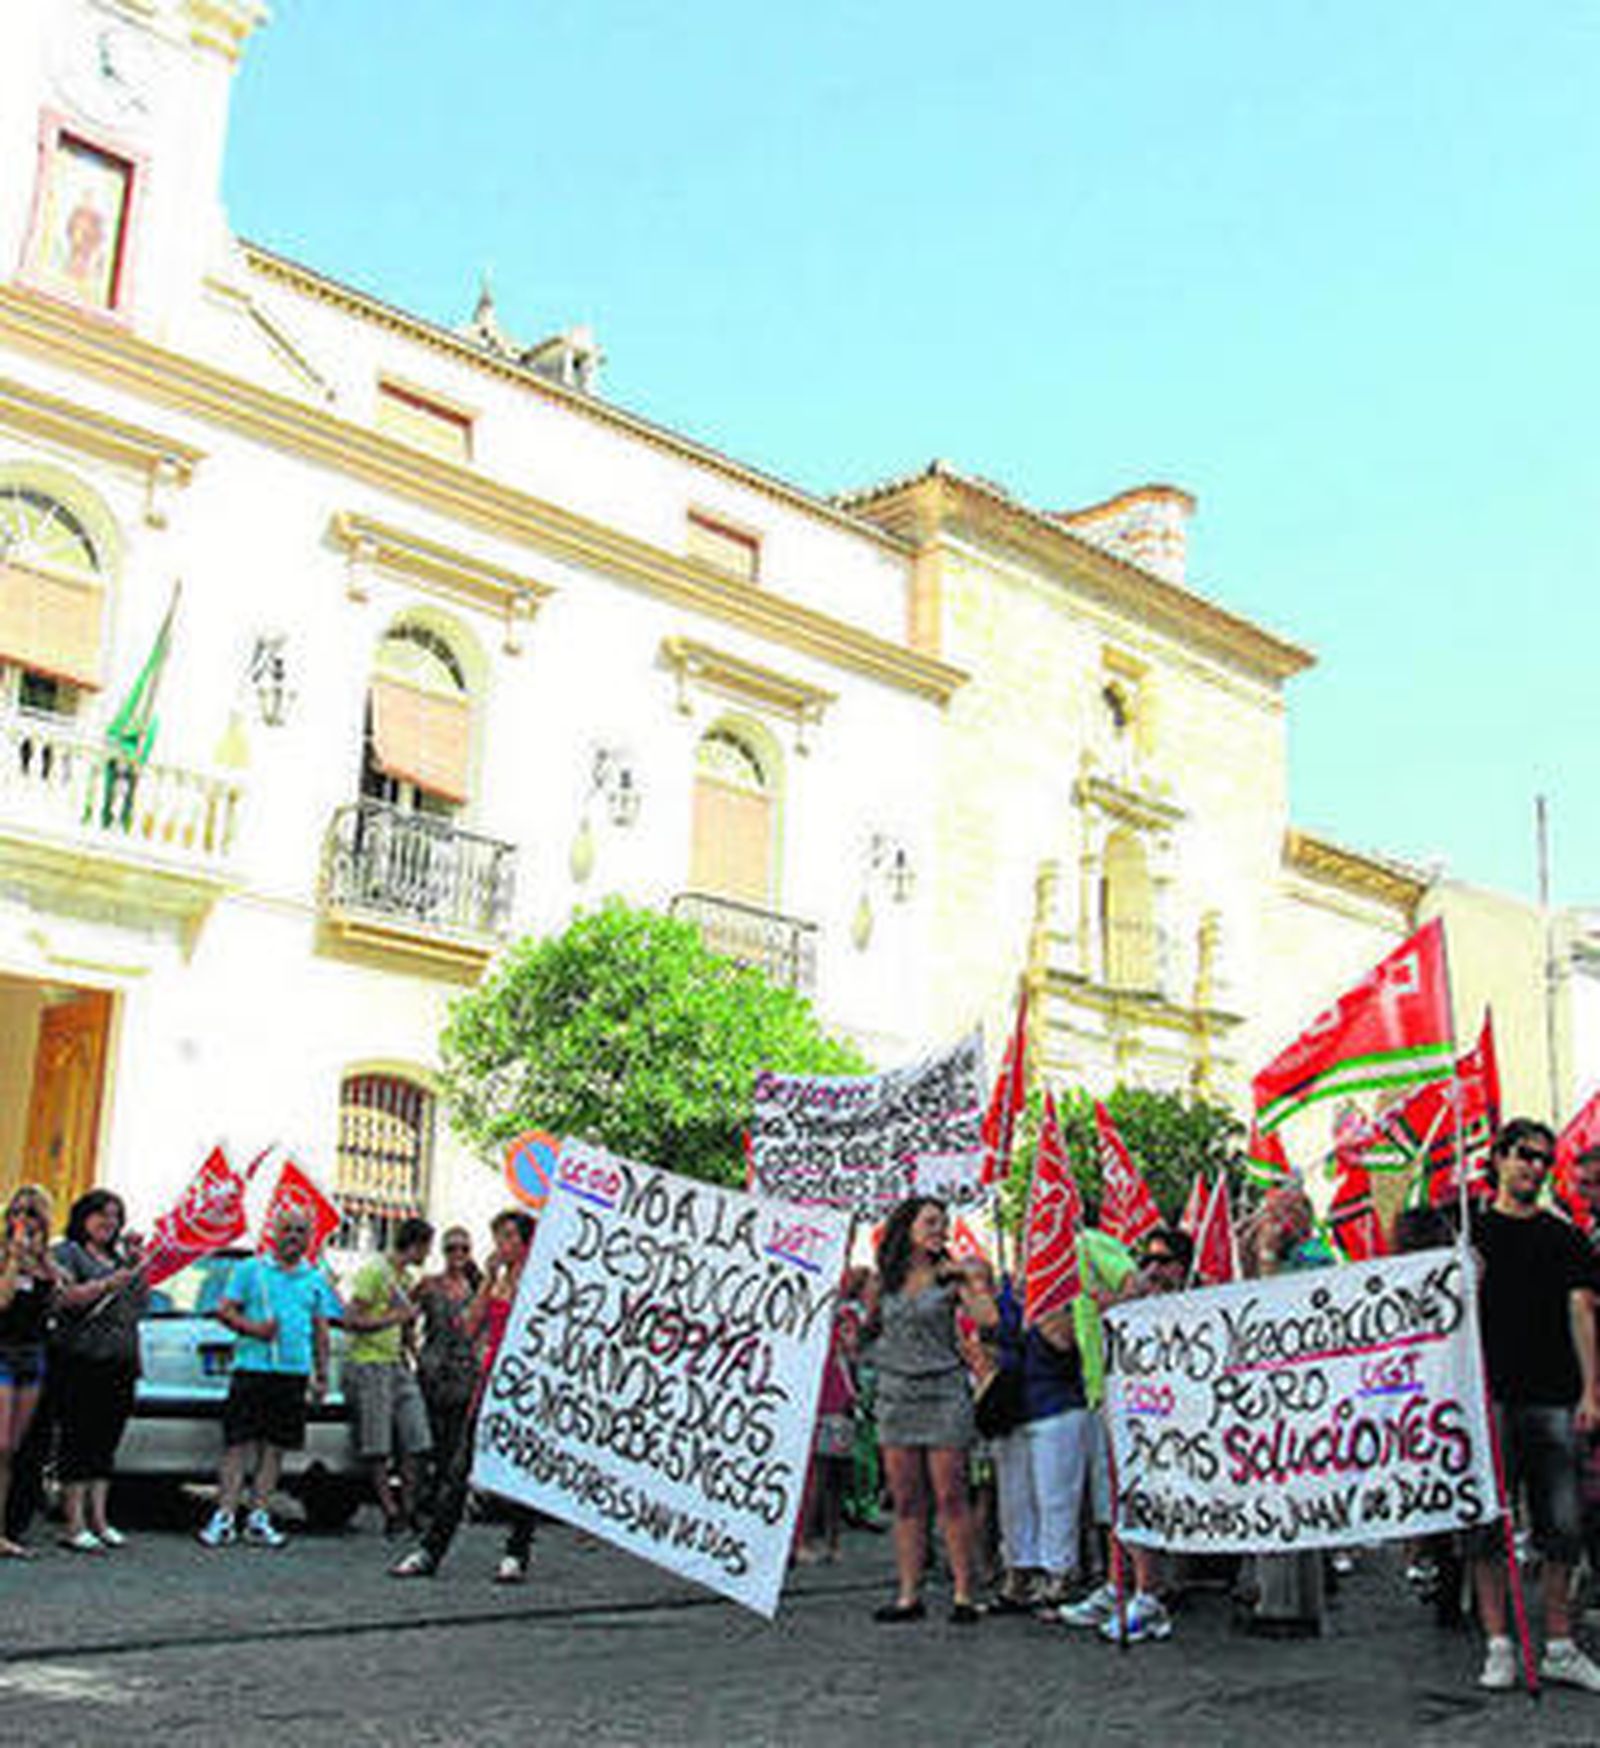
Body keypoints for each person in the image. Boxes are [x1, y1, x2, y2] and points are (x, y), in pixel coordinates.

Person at [1471, 1118, 1600, 1692]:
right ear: (1498, 1158)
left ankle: (1559, 1644)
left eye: (1545, 1160)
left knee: (1562, 1528)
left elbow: (1582, 1314)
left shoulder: (1565, 1237)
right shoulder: (1466, 1237)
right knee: (1487, 1529)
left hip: (1553, 1398)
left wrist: (1592, 1390)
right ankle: (1499, 1644)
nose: (1534, 1167)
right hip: (1486, 1400)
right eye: (1524, 1155)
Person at [862, 1195, 997, 1624]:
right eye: (932, 1222)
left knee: (951, 1496)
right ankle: (908, 1594)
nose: (941, 1230)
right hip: (896, 1397)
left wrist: (973, 1282)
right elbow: (867, 1331)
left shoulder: (951, 1276)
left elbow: (989, 1319)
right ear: (908, 1229)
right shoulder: (885, 1280)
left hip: (943, 1394)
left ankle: (964, 1593)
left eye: (944, 1223)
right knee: (906, 1500)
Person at [1054, 1225, 1191, 1643]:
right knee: (1115, 1500)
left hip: (1140, 1399)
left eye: (1161, 1261)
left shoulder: (1088, 1246)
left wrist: (1108, 1301)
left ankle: (1148, 1597)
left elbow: (1137, 1291)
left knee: (1133, 1496)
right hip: (1107, 1390)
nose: (1151, 1268)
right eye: (1146, 1258)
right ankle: (1120, 1586)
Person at [391, 1208, 540, 1583]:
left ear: (525, 1243)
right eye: (498, 1237)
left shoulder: (539, 1282)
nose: (500, 1245)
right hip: (489, 1381)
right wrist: (489, 1279)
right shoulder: (497, 1280)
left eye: (507, 1237)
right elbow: (469, 1327)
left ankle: (516, 1552)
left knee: (520, 1474)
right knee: (460, 1471)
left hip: (522, 1387)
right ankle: (431, 1550)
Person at [197, 1206, 345, 1549]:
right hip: (252, 1369)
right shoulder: (252, 1270)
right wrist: (254, 1329)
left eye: (301, 1231)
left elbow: (320, 1330)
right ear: (274, 1232)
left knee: (275, 1448)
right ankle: (224, 1515)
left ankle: (259, 1515)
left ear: (309, 1239)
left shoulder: (314, 1278)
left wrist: (321, 1375)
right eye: (288, 1229)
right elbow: (224, 1309)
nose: (293, 1237)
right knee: (237, 1444)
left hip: (292, 1372)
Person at [51, 1189, 149, 1552]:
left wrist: (138, 1268)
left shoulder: (119, 1258)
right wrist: (106, 1283)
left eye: (115, 1215)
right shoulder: (68, 1252)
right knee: (79, 1438)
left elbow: (140, 1305)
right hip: (81, 1360)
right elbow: (64, 1298)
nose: (108, 1222)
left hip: (120, 1361)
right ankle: (72, 1520)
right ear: (83, 1217)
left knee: (106, 1441)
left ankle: (100, 1517)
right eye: (100, 1214)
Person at [987, 1273, 1089, 1613]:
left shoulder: (1068, 1295)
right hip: (1011, 1410)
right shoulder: (1003, 1295)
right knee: (1014, 1499)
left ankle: (1058, 1573)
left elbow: (1063, 1340)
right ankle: (1018, 1571)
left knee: (1055, 1495)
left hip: (1055, 1404)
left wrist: (1041, 1302)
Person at [344, 1216, 433, 1534]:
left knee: (417, 1438)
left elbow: (405, 1321)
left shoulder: (404, 1278)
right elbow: (351, 1318)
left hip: (396, 1363)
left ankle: (409, 1506)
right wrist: (396, 1316)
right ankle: (391, 1511)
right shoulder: (374, 1272)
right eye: (427, 1247)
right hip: (369, 1363)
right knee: (377, 1443)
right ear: (418, 1245)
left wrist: (411, 1347)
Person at [0, 1185, 56, 1559]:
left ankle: (2, 1531)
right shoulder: (5, 1256)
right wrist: (14, 1262)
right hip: (1, 1353)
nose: (24, 1220)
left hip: (32, 1355)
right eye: (17, 1212)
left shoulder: (45, 1262)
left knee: (11, 1452)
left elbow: (57, 1296)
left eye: (32, 1214)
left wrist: (40, 1262)